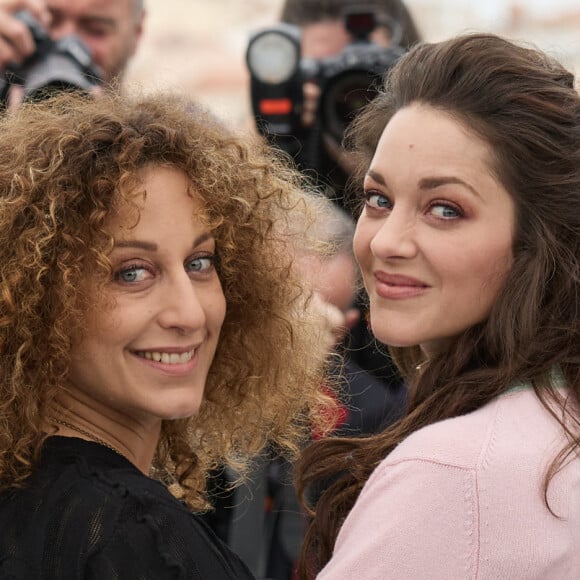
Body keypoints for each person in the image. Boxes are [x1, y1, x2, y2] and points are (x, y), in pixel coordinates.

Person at [0, 88, 335, 578]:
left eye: (200, 263)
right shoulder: (134, 536)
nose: (190, 313)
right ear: (39, 301)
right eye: (132, 272)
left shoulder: (33, 503)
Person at [296, 32, 580, 579]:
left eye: (445, 209)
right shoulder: (550, 425)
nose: (385, 242)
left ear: (537, 239)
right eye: (378, 199)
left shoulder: (457, 472)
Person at [0, 0, 145, 107]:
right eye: (48, 20)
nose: (67, 42)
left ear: (136, 34)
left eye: (96, 29)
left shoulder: (156, 144)